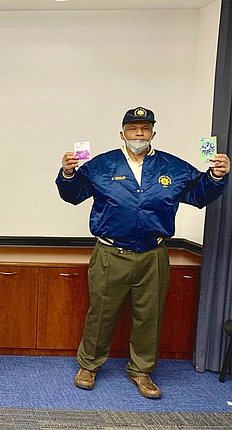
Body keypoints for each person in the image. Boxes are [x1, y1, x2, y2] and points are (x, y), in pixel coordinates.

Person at [56, 107, 230, 399]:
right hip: (111, 253)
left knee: (149, 316)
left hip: (153, 254)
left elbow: (198, 195)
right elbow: (73, 195)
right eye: (133, 128)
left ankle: (142, 370)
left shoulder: (172, 167)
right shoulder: (100, 165)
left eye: (145, 129)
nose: (139, 134)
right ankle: (89, 365)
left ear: (153, 133)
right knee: (101, 313)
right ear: (121, 133)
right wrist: (68, 173)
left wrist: (215, 177)